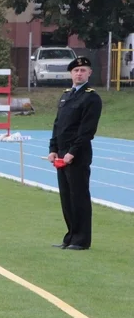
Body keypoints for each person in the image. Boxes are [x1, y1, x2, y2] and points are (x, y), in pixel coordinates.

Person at [48, 56, 102, 251]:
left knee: (78, 196)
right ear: (71, 73)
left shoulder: (91, 97)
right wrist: (53, 149)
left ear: (89, 73)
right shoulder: (66, 95)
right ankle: (70, 237)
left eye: (83, 70)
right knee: (66, 197)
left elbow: (87, 130)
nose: (79, 73)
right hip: (62, 152)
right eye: (76, 71)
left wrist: (72, 152)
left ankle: (81, 240)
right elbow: (58, 125)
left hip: (77, 154)